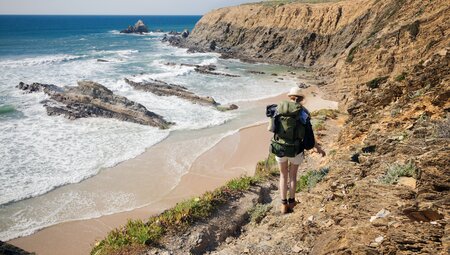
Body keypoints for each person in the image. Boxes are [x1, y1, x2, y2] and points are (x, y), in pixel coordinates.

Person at [275, 87, 326, 214]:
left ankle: (283, 204)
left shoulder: (279, 108)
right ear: (302, 99)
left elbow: (272, 128)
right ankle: (292, 203)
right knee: (292, 176)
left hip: (280, 147)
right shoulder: (304, 112)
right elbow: (309, 134)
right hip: (296, 148)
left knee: (283, 175)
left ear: (289, 97)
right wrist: (318, 148)